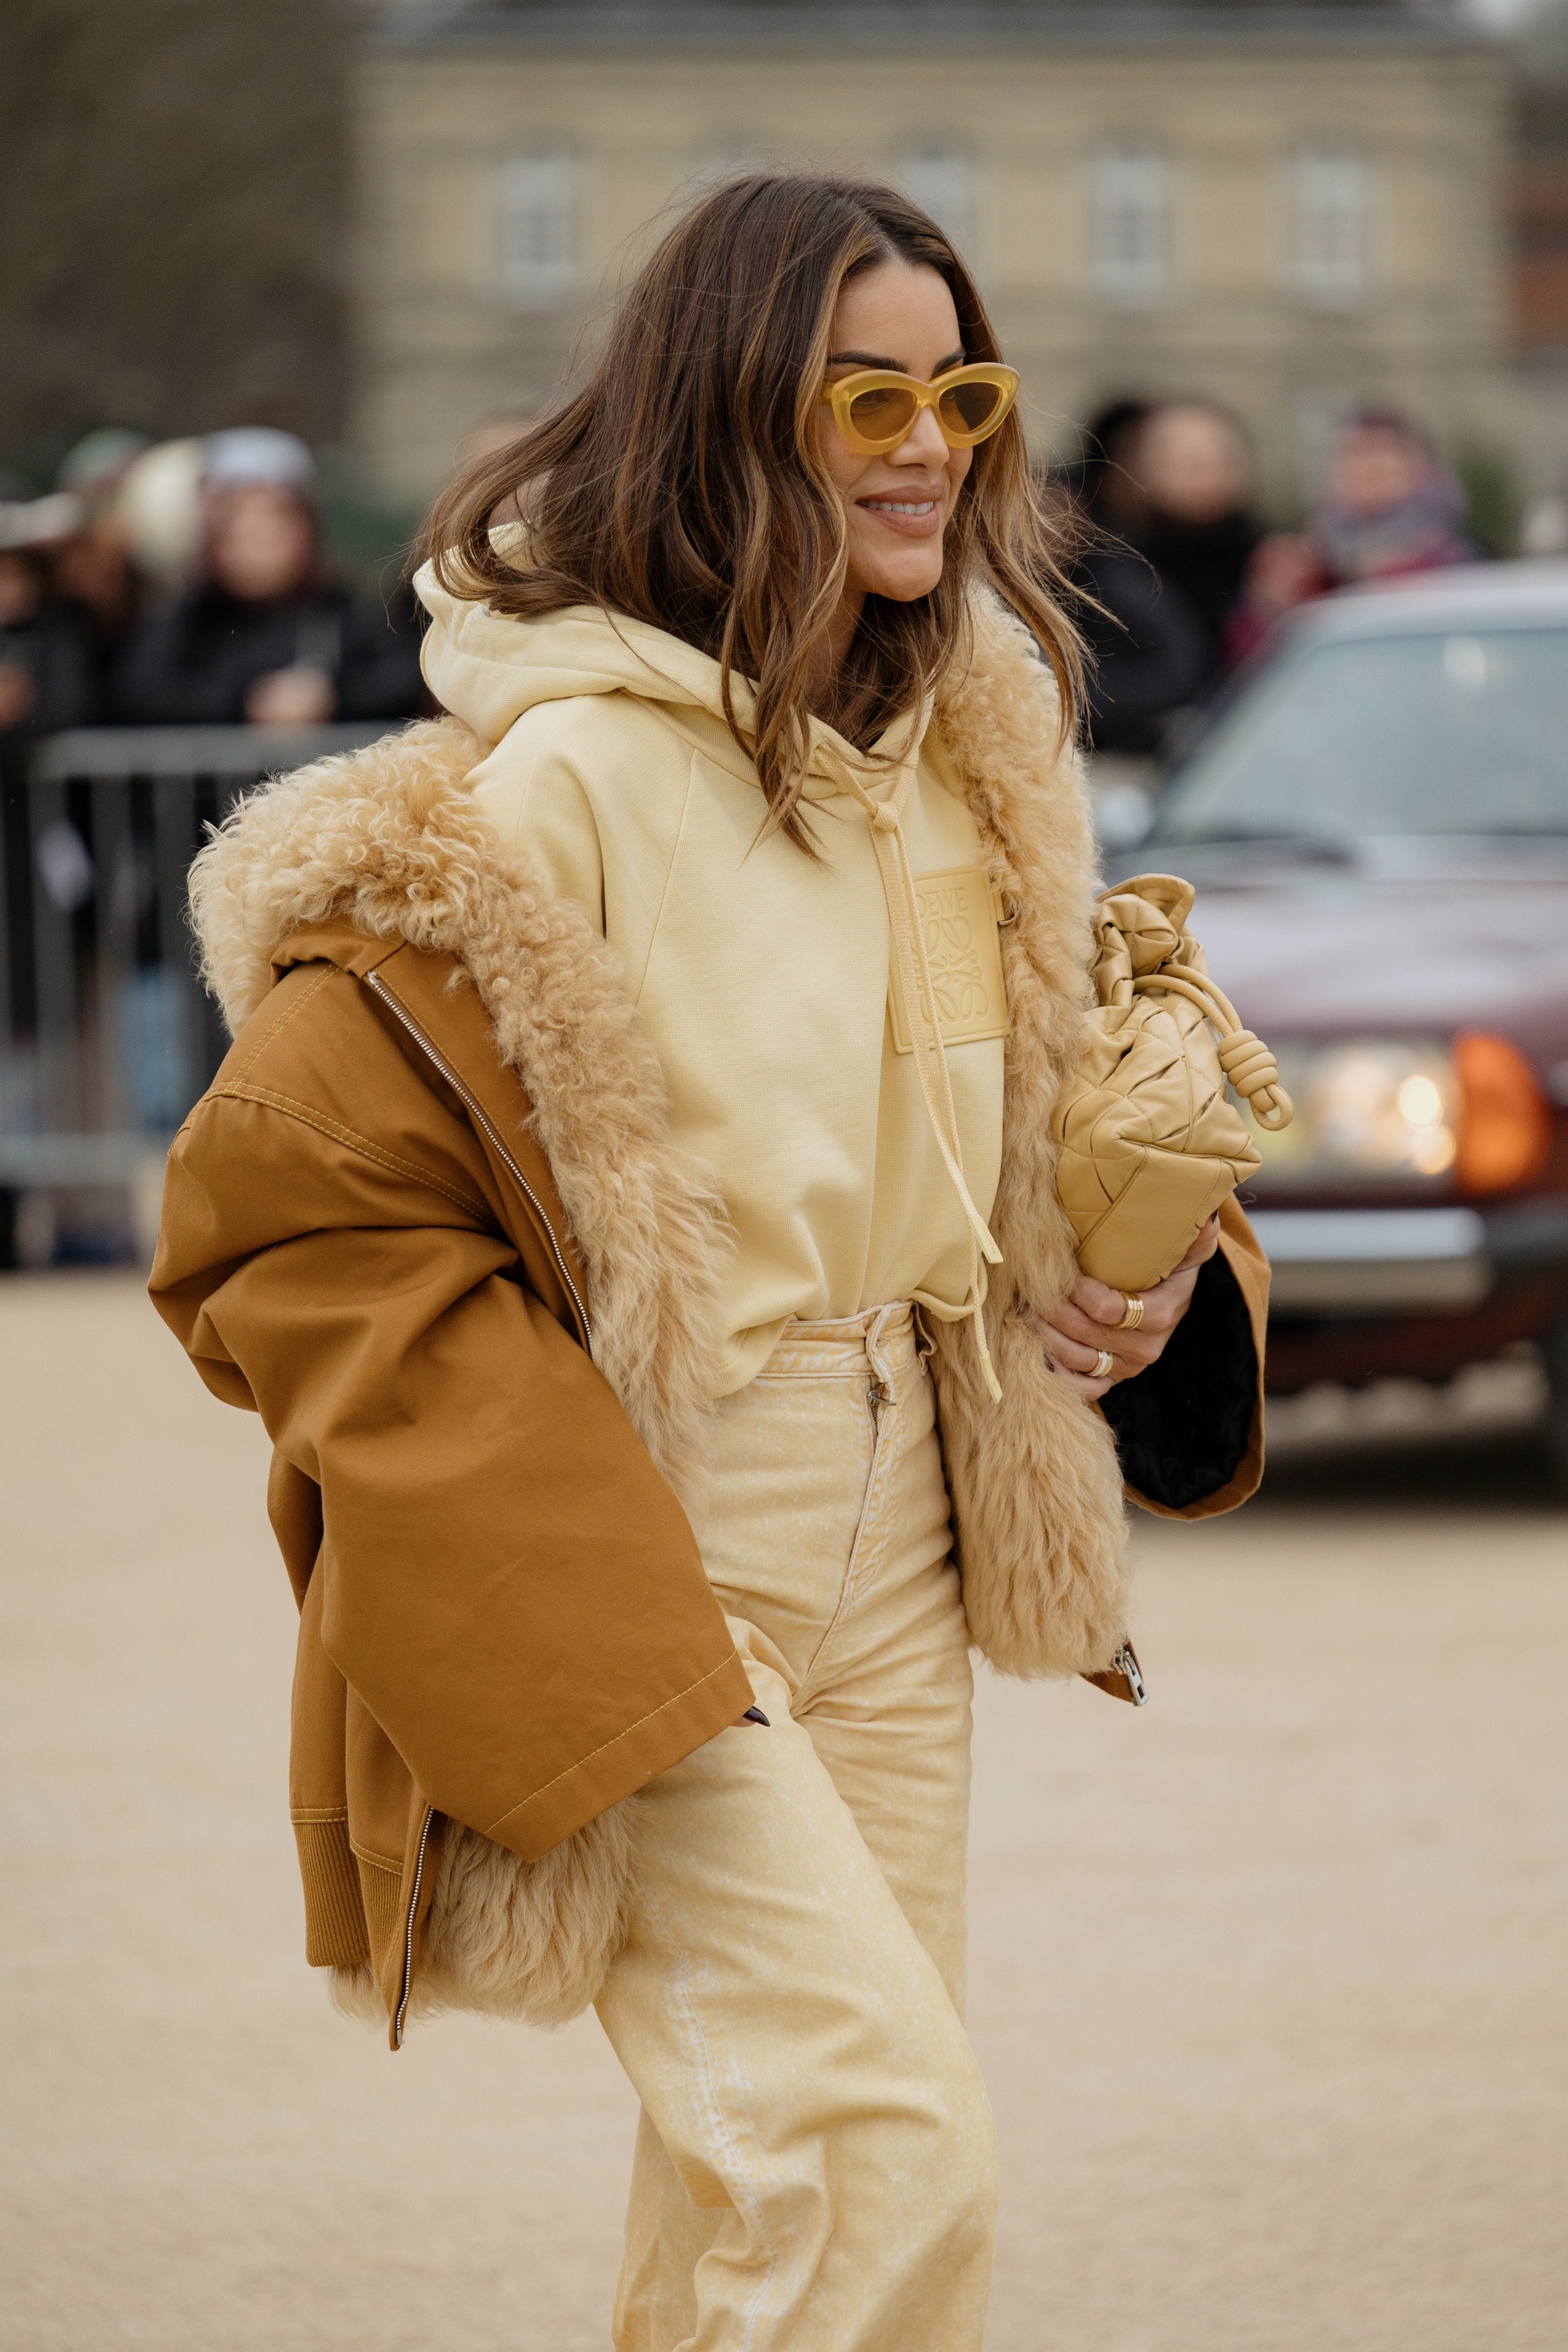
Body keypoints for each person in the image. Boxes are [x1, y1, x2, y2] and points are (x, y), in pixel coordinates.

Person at [149, 174, 1269, 2352]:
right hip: (669, 1535)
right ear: (725, 413)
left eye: (957, 387)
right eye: (864, 391)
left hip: (921, 1514)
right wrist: (532, 1545)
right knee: (882, 2150)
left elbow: (1006, 1124)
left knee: (754, 2173)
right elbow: (281, 1204)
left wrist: (1132, 1272)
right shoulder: (561, 777)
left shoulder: (973, 750)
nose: (926, 439)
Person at [112, 429, 424, 725]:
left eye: (277, 516)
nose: (258, 534)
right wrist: (246, 702)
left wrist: (332, 698)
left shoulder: (344, 613)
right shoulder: (186, 620)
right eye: (238, 518)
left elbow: (408, 679)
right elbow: (137, 693)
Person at [1310, 409, 1474, 587]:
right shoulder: (1315, 567)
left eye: (1376, 450)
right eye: (1353, 452)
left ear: (1415, 464)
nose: (1363, 466)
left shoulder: (1450, 563)